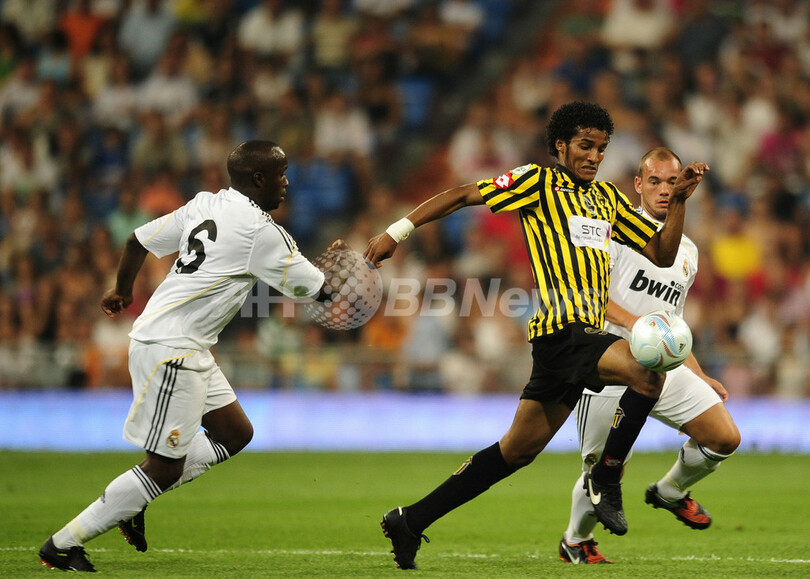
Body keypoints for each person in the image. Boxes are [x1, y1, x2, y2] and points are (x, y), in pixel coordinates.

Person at [364, 101, 709, 570]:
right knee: (650, 372)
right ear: (561, 145)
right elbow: (464, 195)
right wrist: (397, 231)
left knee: (516, 451)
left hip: (580, 338)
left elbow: (663, 255)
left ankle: (410, 520)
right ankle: (606, 479)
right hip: (561, 330)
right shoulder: (538, 182)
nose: (594, 156)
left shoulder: (607, 198)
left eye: (601, 148)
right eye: (585, 146)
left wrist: (680, 202)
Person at [39, 141, 335, 572]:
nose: (287, 182)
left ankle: (134, 497)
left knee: (234, 432)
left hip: (180, 344)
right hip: (171, 350)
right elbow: (320, 291)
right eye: (281, 173)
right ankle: (63, 544)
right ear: (259, 179)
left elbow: (136, 240)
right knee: (164, 468)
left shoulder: (205, 204)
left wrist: (123, 290)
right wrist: (352, 266)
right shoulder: (260, 231)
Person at [558, 147, 741, 564]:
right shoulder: (613, 233)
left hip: (664, 368)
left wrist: (698, 373)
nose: (664, 190)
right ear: (638, 185)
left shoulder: (687, 250)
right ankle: (575, 540)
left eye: (672, 182)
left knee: (724, 438)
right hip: (610, 365)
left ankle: (670, 491)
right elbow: (589, 295)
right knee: (604, 474)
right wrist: (638, 325)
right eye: (654, 181)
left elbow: (672, 323)